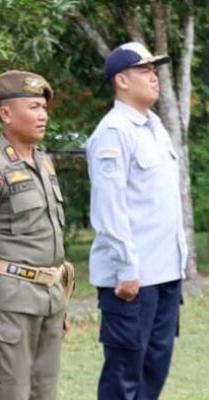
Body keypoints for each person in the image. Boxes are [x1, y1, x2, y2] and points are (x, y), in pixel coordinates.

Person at [0, 70, 72, 399]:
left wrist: (60, 304)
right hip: (11, 306)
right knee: (8, 394)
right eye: (34, 106)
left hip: (49, 301)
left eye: (44, 108)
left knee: (44, 394)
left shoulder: (44, 163)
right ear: (6, 114)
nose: (43, 115)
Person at [86, 42, 186, 400]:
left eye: (154, 70)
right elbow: (109, 209)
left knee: (153, 370)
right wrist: (127, 269)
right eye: (145, 71)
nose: (154, 77)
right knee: (124, 374)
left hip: (163, 273)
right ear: (122, 80)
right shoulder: (114, 131)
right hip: (133, 279)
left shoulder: (154, 127)